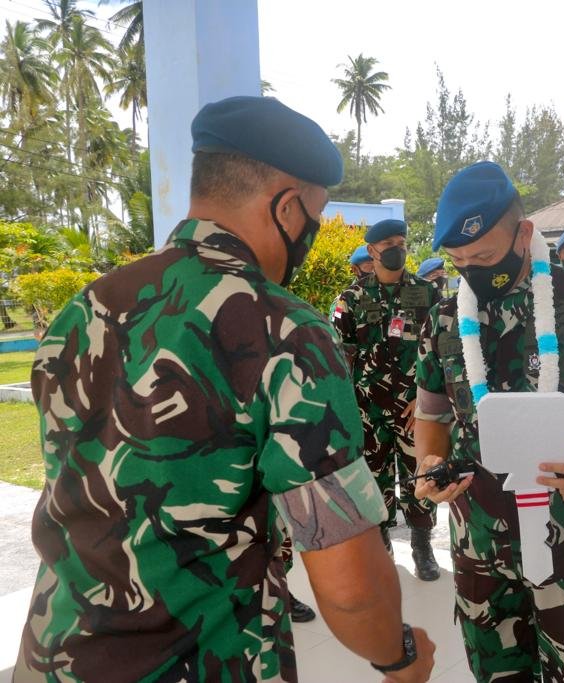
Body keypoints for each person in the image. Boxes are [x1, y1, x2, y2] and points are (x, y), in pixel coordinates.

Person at [15, 96, 435, 682]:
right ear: (288, 209)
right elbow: (349, 586)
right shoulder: (283, 331)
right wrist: (399, 656)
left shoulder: (83, 310)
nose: (311, 232)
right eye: (313, 217)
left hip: (52, 656)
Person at [413, 161, 564, 682]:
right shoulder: (444, 318)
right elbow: (430, 412)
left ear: (524, 233)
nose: (470, 270)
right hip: (480, 542)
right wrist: (429, 462)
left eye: (482, 255)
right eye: (457, 261)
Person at [331, 219, 441, 581]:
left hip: (415, 409)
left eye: (402, 241)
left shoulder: (428, 294)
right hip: (368, 408)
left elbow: (442, 354)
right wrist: (347, 411)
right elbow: (339, 360)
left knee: (419, 476)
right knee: (373, 479)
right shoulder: (351, 300)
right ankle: (381, 544)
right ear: (373, 252)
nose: (398, 248)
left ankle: (422, 546)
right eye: (389, 243)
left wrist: (426, 401)